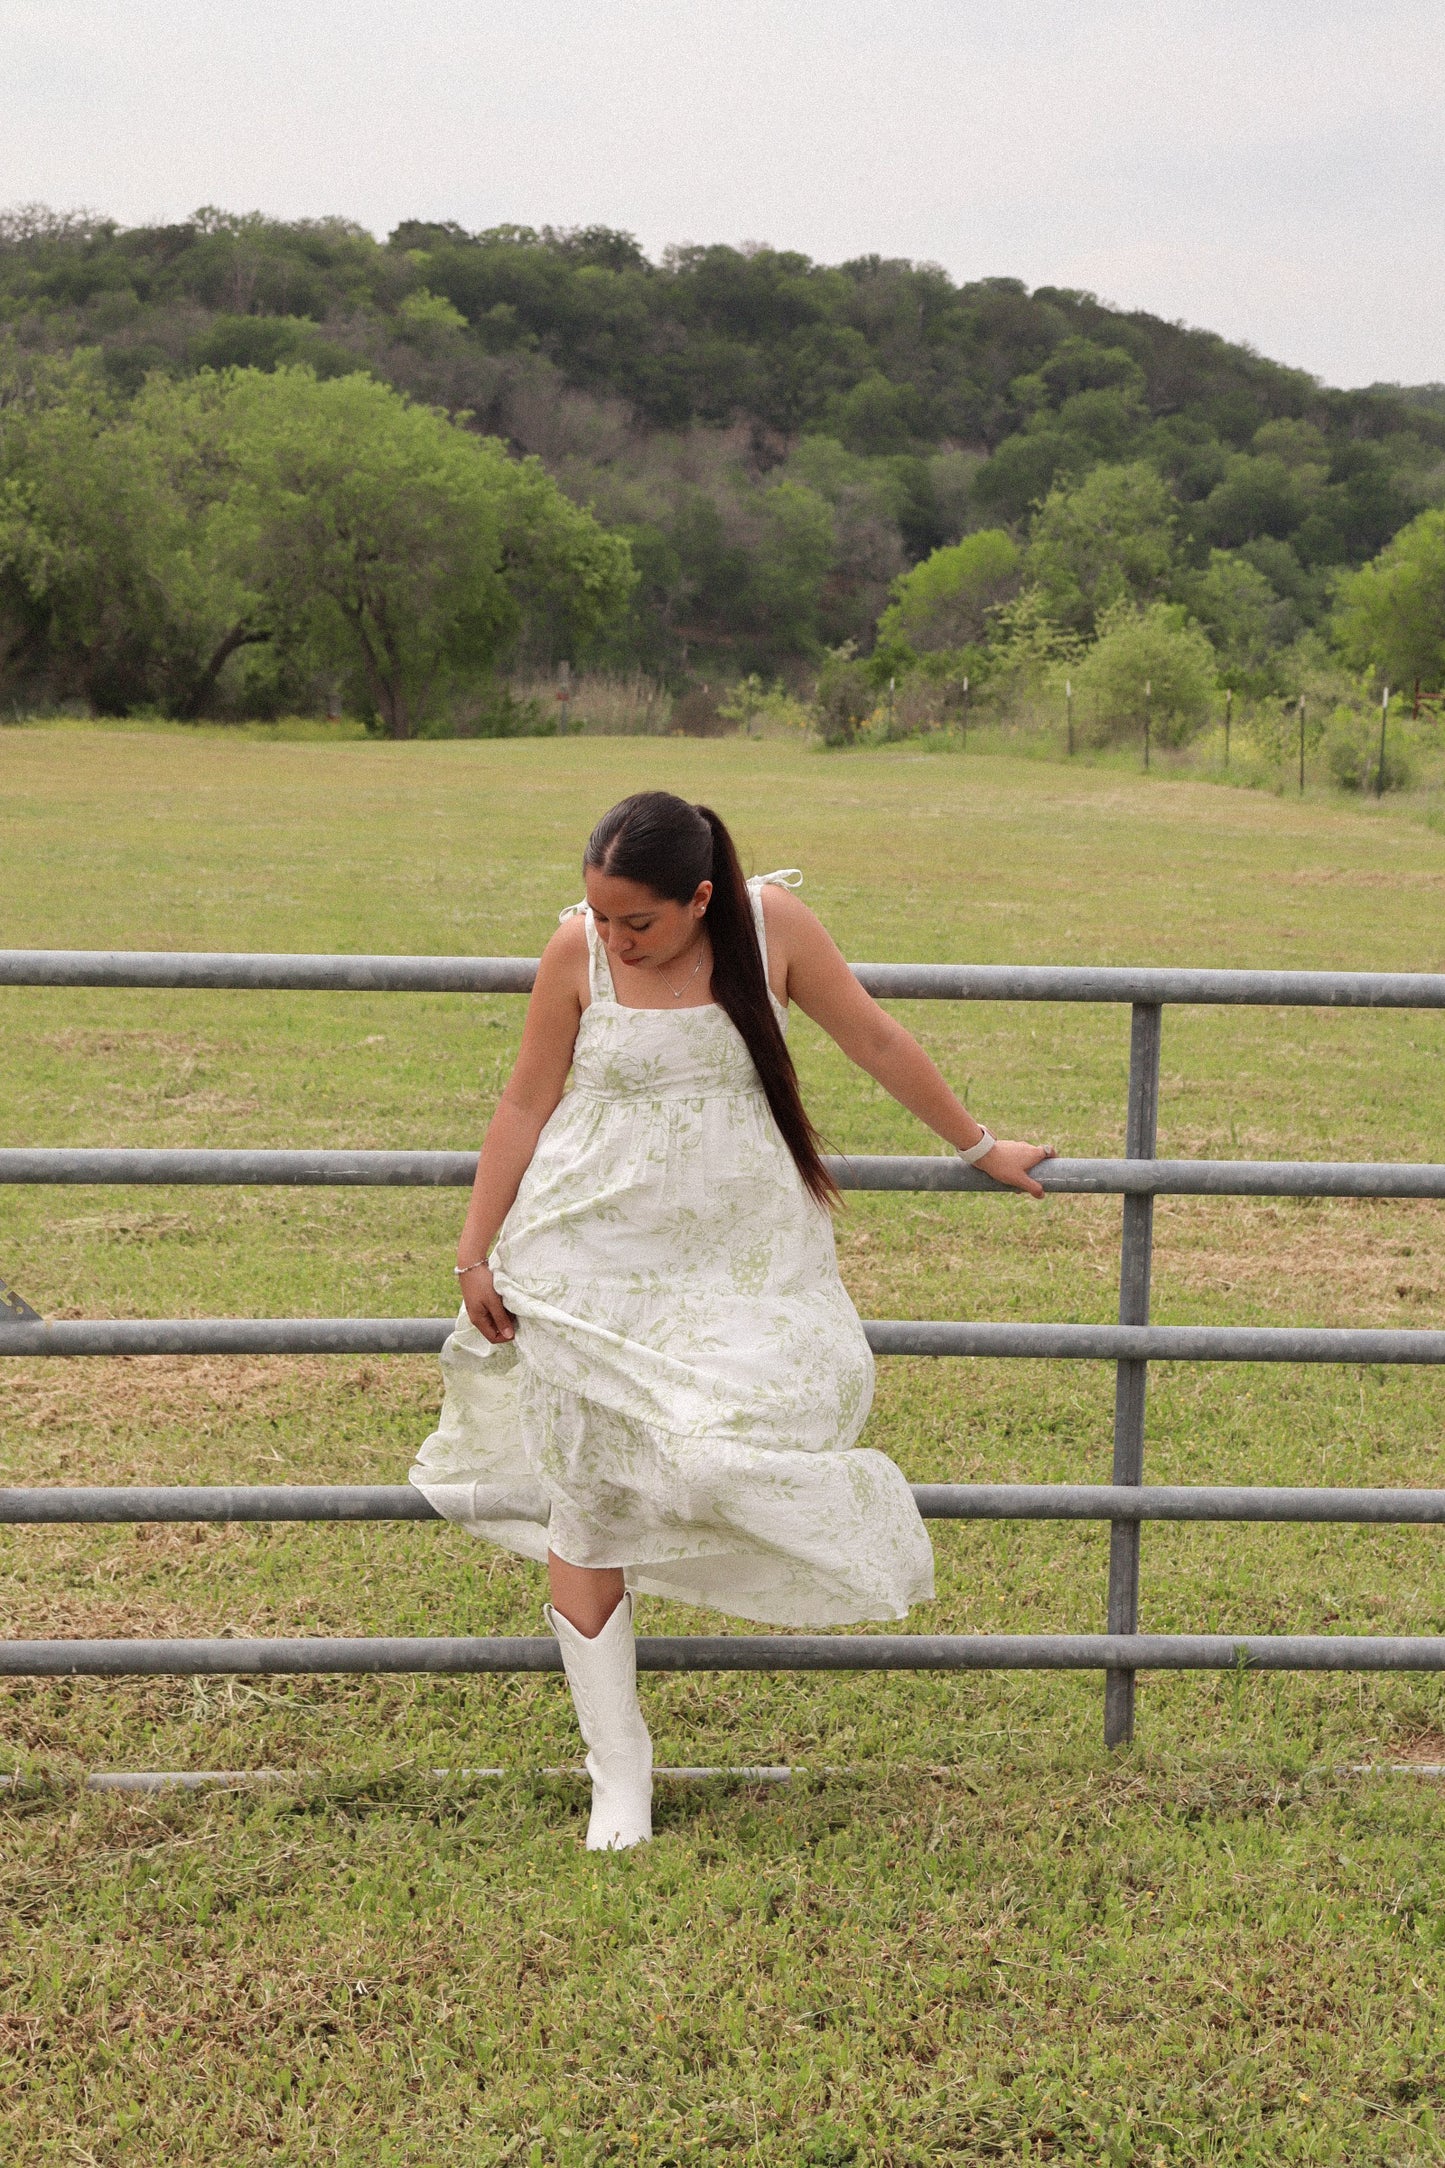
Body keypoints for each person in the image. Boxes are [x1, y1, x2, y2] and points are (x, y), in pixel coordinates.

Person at [410, 792, 1053, 1849]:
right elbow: (524, 1100)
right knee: (585, 1492)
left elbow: (874, 1037)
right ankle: (617, 1770)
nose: (612, 940)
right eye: (598, 917)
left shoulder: (771, 928)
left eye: (637, 924)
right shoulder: (574, 951)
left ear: (699, 898)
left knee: (720, 1446)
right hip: (586, 1254)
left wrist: (980, 1145)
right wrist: (474, 1249)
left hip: (739, 1259)